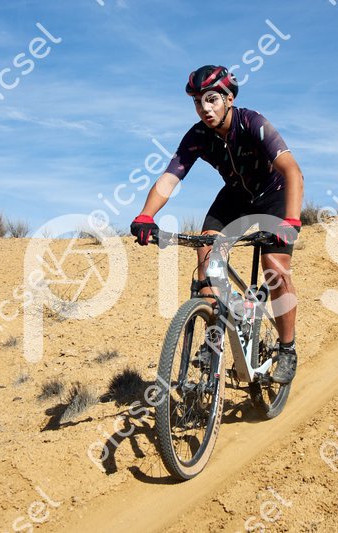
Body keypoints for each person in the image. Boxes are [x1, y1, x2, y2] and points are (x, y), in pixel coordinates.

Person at [130, 65, 304, 384]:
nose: (204, 108)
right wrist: (146, 215)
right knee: (206, 249)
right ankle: (213, 340)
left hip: (274, 194)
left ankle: (287, 348)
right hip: (236, 195)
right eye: (198, 102)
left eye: (211, 99)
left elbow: (292, 170)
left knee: (275, 269)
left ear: (228, 98)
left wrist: (291, 221)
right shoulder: (198, 136)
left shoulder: (252, 123)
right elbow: (170, 177)